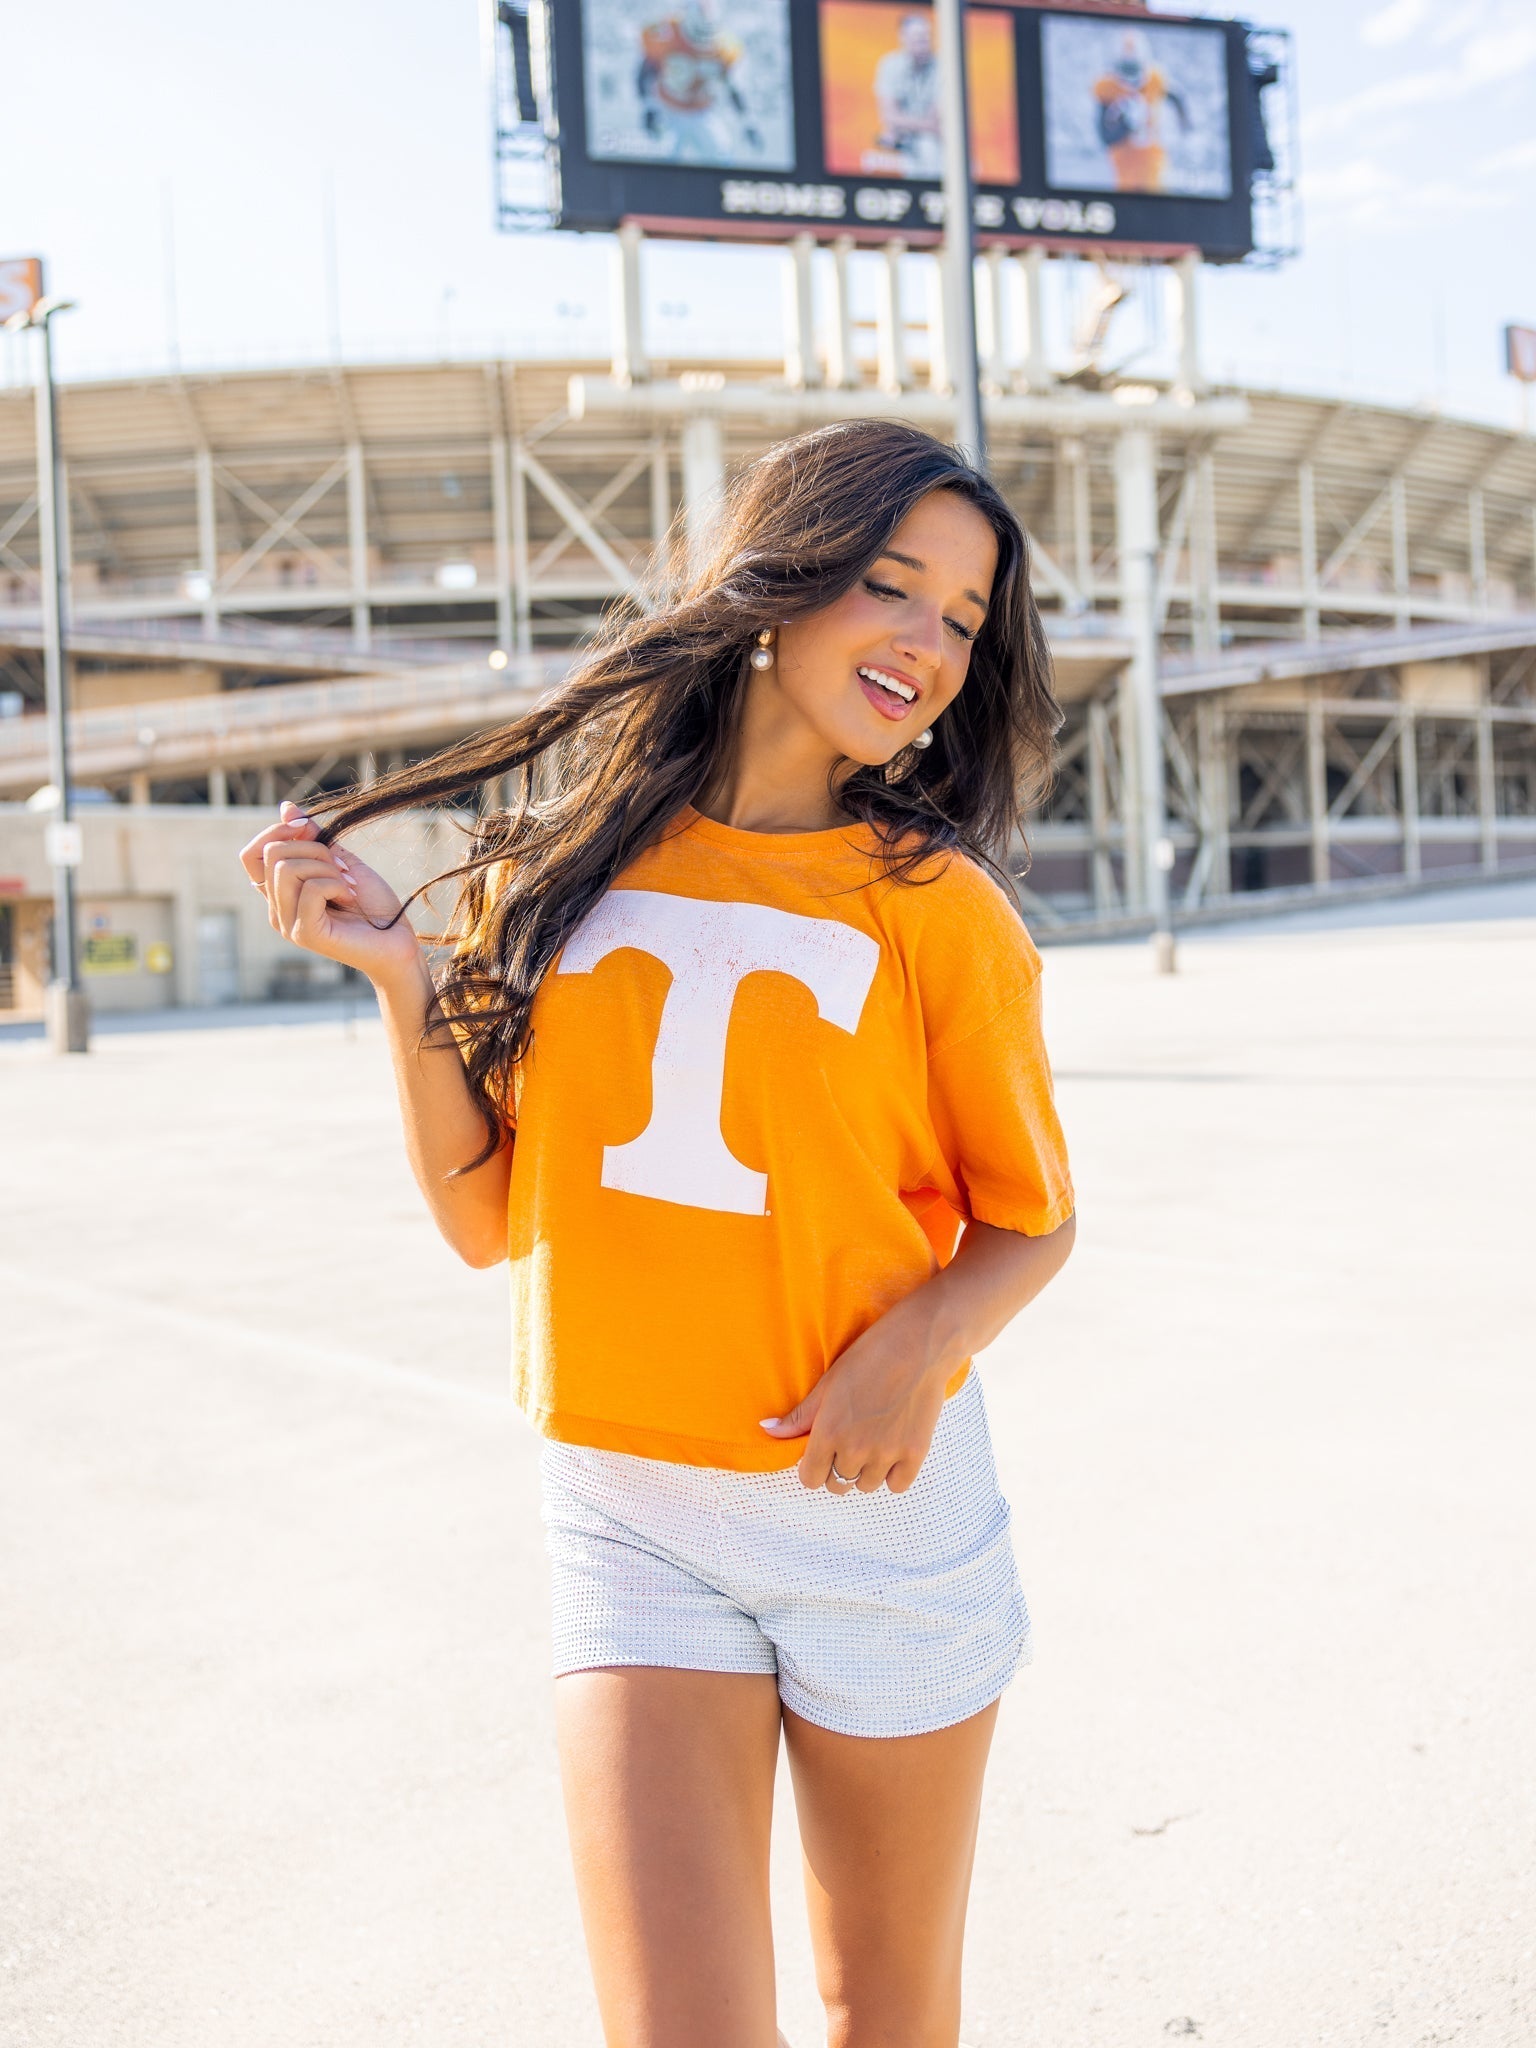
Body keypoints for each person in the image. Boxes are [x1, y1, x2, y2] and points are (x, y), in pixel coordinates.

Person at [240, 418, 1076, 2048]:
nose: (924, 639)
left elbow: (1030, 1223)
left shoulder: (938, 910)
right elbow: (486, 1219)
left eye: (964, 619)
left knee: (885, 2010)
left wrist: (918, 1345)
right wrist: (402, 981)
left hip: (873, 1518)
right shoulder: (558, 872)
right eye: (890, 584)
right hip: (629, 1513)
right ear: (779, 582)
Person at [1092, 27, 1189, 193]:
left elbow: (1175, 96)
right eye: (1126, 67)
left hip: (1152, 155)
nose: (1131, 77)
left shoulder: (1155, 79)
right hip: (1124, 158)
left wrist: (1184, 124)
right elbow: (1105, 137)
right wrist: (1126, 125)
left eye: (1134, 67)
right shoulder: (1107, 88)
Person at [870, 11, 943, 178]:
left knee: (928, 147)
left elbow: (936, 120)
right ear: (903, 37)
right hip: (900, 139)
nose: (923, 41)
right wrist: (904, 125)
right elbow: (889, 116)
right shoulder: (890, 65)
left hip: (931, 142)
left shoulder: (942, 67)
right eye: (918, 37)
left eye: (926, 36)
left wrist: (902, 123)